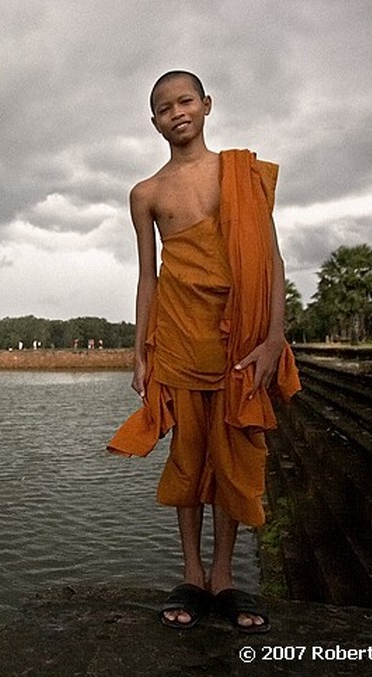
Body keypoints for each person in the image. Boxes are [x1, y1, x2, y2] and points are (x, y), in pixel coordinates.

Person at [107, 70, 300, 634]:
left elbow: (272, 258)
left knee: (232, 453)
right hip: (178, 336)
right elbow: (148, 277)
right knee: (189, 456)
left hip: (240, 337)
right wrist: (141, 352)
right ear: (154, 122)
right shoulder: (146, 193)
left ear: (207, 105)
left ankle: (224, 577)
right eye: (164, 107)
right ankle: (191, 573)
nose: (176, 112)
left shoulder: (241, 174)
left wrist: (273, 338)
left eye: (185, 100)